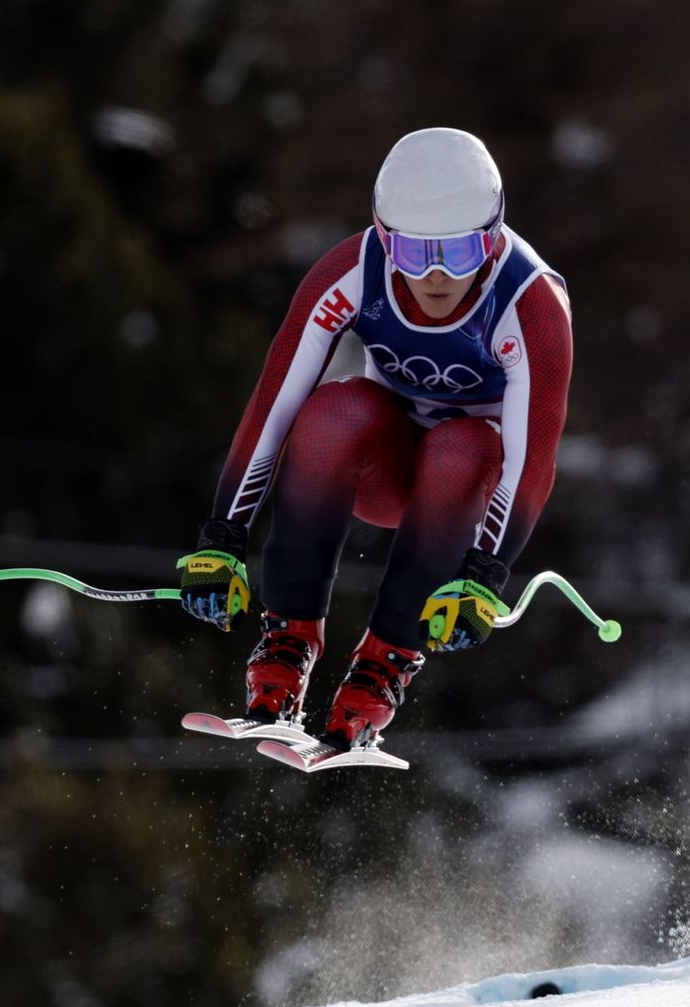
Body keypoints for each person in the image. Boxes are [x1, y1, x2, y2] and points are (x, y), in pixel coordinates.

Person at [178, 127, 572, 751]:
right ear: (385, 239)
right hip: (379, 473)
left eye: (460, 253)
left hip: (465, 490)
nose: (436, 277)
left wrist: (483, 575)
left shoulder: (531, 303)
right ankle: (287, 643)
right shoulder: (352, 271)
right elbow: (274, 405)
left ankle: (381, 669)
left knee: (462, 444)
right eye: (414, 254)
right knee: (337, 408)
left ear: (493, 237)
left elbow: (532, 462)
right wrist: (222, 537)